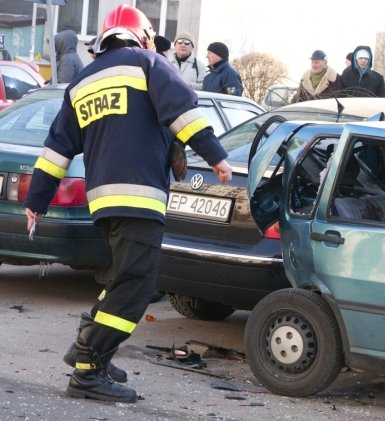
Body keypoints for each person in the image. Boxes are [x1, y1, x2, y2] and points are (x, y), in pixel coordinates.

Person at [23, 4, 233, 403]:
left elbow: (56, 150)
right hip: (140, 198)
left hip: (103, 202)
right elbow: (183, 113)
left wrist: (37, 199)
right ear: (142, 34)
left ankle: (89, 349)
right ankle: (87, 368)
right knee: (136, 286)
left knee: (123, 280)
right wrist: (217, 156)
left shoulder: (82, 81)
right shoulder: (147, 63)